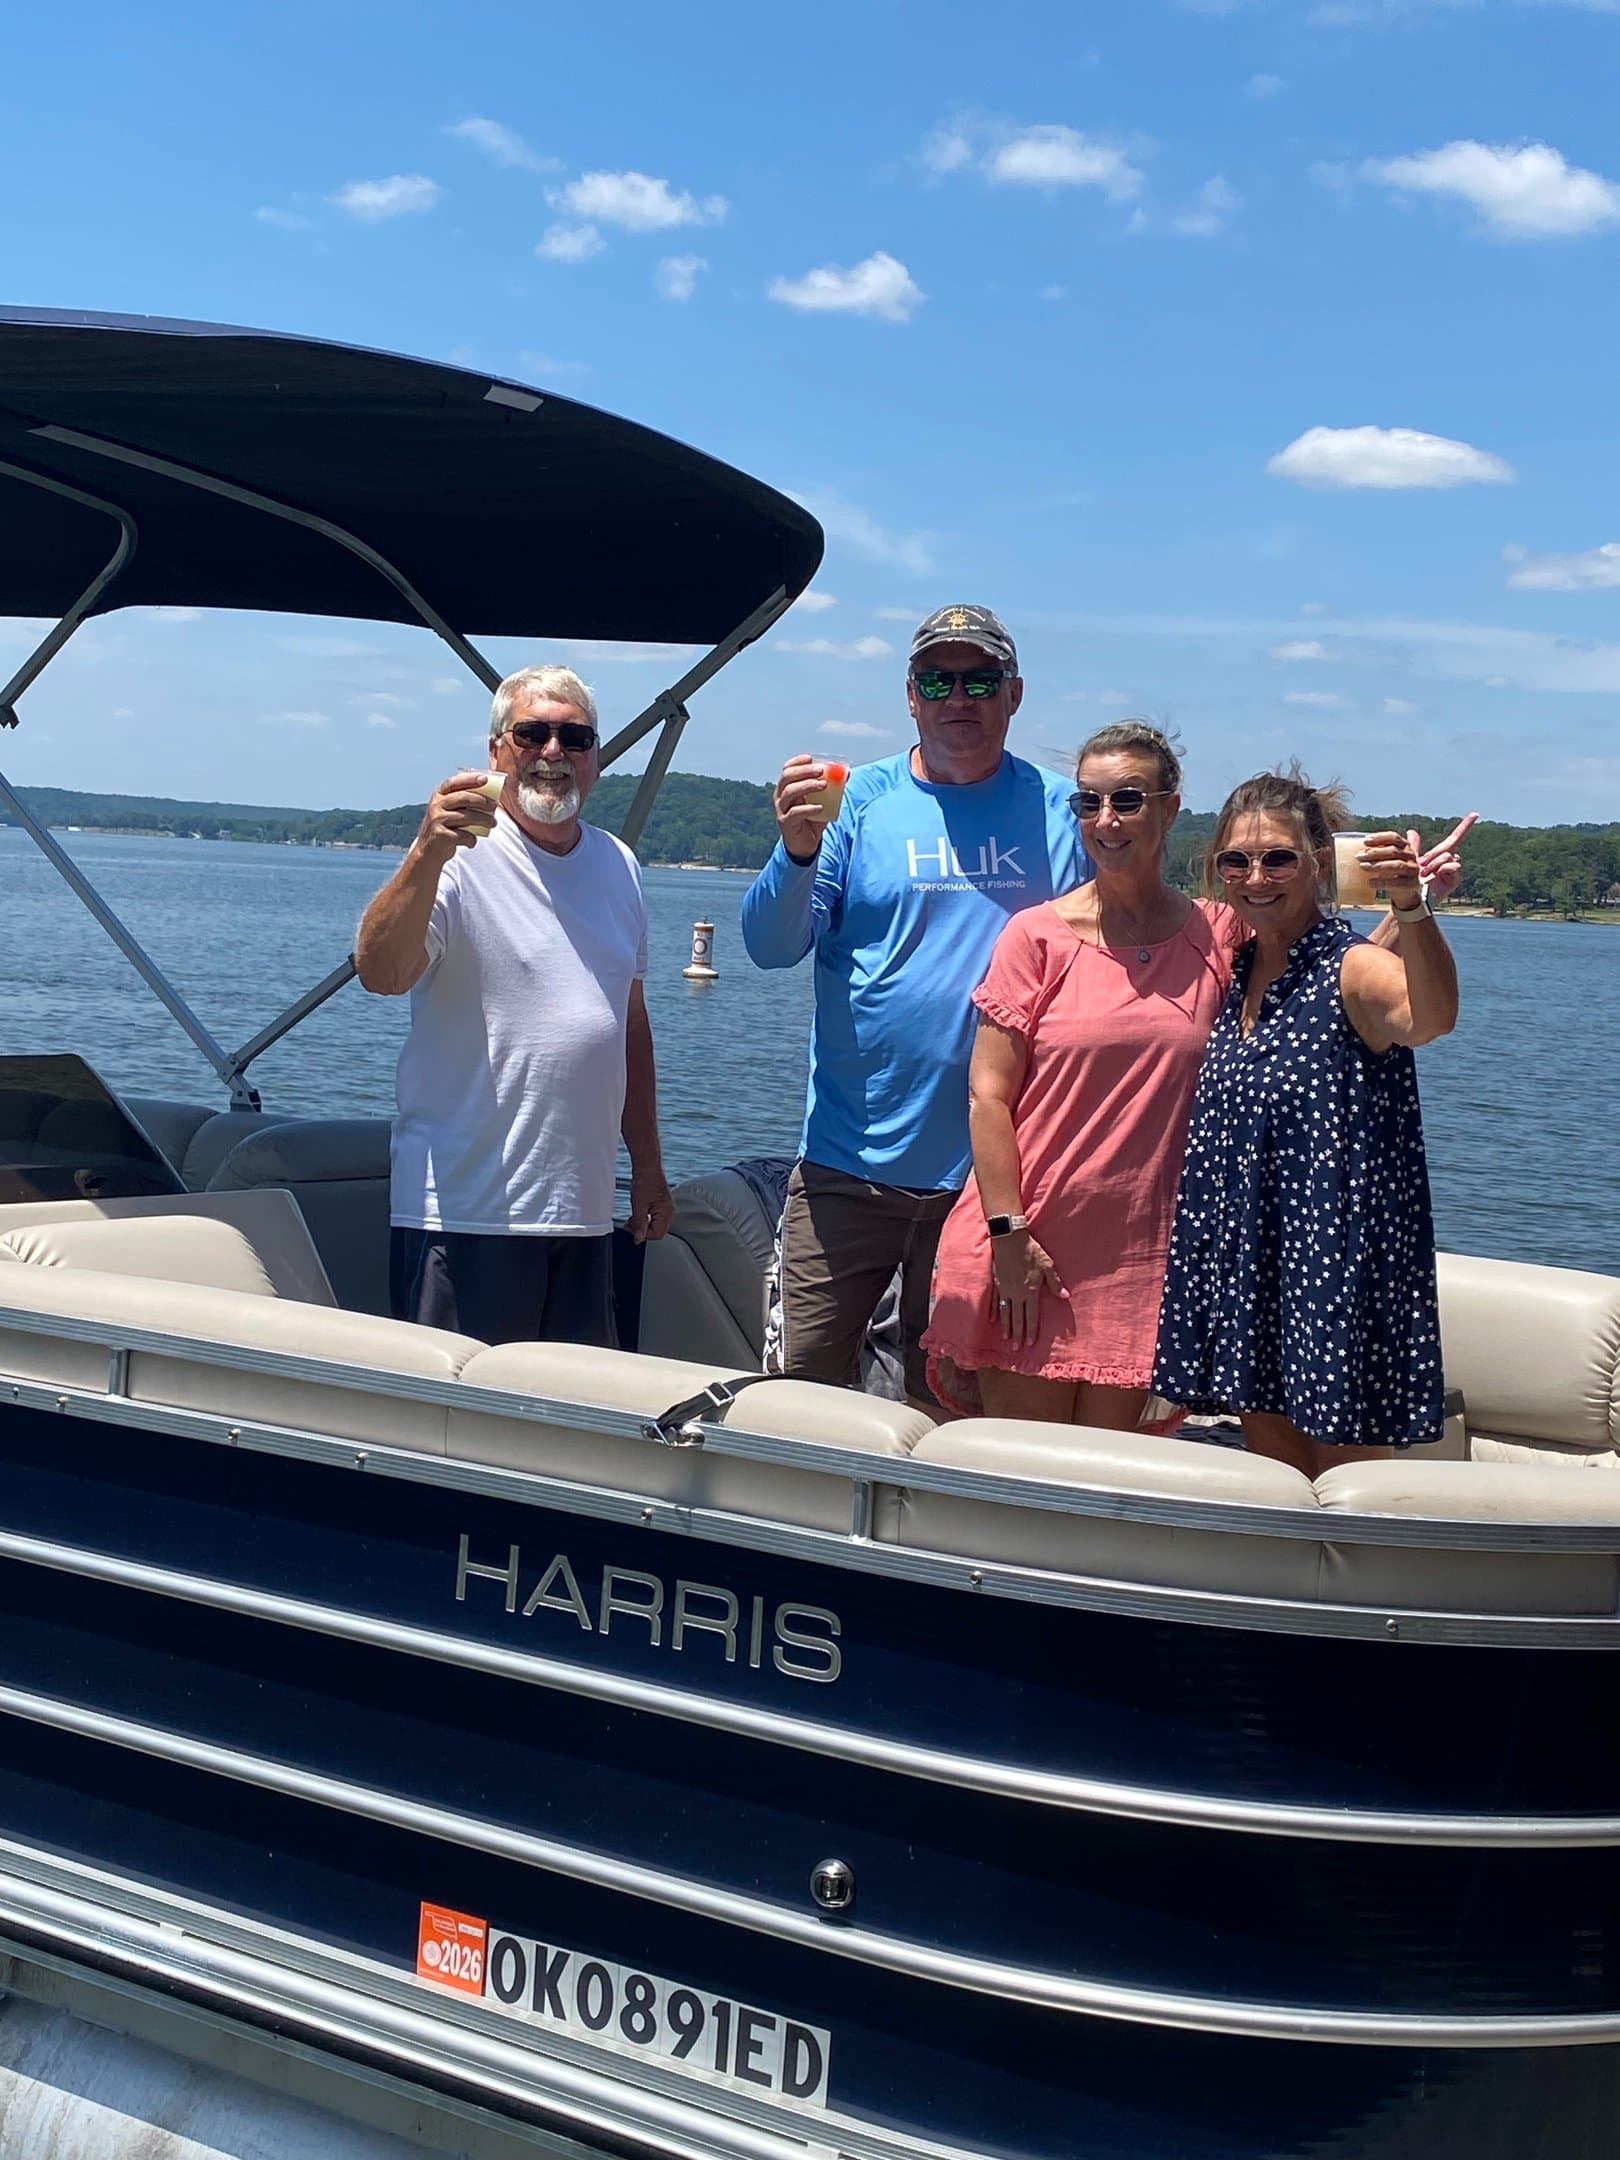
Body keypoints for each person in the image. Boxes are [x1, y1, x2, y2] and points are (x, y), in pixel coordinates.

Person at [741, 605, 1090, 1403]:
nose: (957, 696)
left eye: (979, 679)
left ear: (1015, 694)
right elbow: (769, 944)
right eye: (938, 679)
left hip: (991, 1183)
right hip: (844, 1167)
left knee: (954, 1406)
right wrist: (795, 850)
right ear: (910, 695)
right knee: (792, 1395)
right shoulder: (853, 800)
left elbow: (1131, 943)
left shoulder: (1063, 813)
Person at [923, 722, 1239, 1427]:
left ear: (1169, 808)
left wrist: (1411, 904)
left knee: (1110, 1489)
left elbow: (1330, 980)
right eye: (1086, 803)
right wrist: (1009, 1235)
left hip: (1142, 1262)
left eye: (1127, 800)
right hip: (1029, 1251)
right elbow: (987, 1095)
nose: (1106, 821)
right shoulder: (1037, 935)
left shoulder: (1219, 934)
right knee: (1021, 1481)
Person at [1152, 768, 1459, 1476]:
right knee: (1277, 1468)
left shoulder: (1351, 968)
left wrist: (1412, 905)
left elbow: (1431, 1017)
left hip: (1333, 1262)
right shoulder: (1237, 967)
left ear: (1319, 862)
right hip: (1256, 1253)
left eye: (1278, 858)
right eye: (1236, 860)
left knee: (1348, 1475)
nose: (1255, 876)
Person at [356, 663, 673, 1348]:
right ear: (498, 750)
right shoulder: (458, 857)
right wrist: (424, 852)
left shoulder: (621, 864)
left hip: (586, 1216)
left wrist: (646, 1164)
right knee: (458, 1435)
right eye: (532, 733)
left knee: (571, 1428)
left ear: (595, 758)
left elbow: (628, 1025)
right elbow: (380, 972)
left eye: (575, 737)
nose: (553, 752)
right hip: (467, 1217)